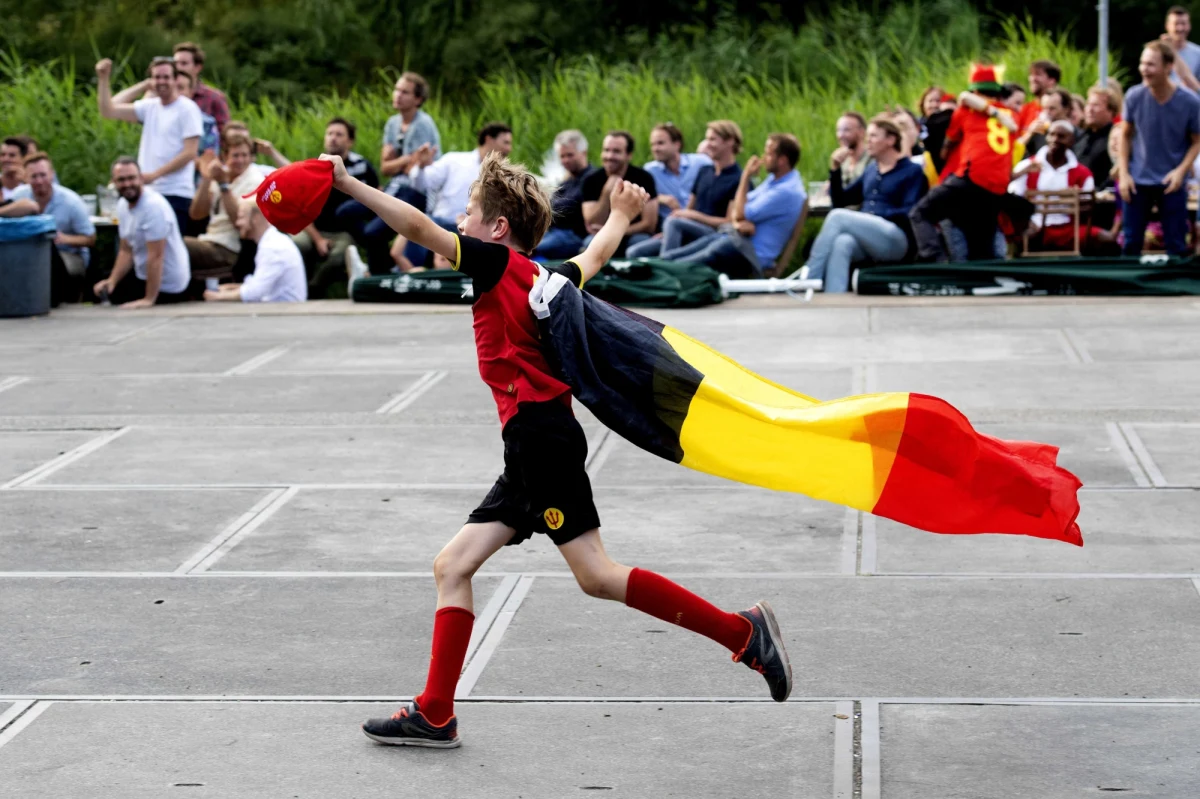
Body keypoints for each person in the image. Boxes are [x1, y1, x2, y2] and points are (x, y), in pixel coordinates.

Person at [317, 149, 791, 748]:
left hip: (540, 440)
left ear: (497, 228)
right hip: (534, 443)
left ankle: (742, 635)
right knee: (452, 566)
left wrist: (347, 183)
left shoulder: (494, 264)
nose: (459, 222)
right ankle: (435, 711)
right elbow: (595, 256)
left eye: (468, 213)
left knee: (597, 575)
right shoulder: (546, 277)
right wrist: (620, 215)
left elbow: (416, 227)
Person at [909, 65, 1019, 262]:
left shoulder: (965, 111)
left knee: (920, 213)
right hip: (997, 188)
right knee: (983, 251)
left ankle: (936, 264)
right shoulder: (1011, 115)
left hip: (970, 178)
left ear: (975, 91)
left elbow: (947, 145)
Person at [805, 117, 927, 292]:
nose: (868, 141)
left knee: (837, 217)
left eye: (873, 136)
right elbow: (841, 201)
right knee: (842, 243)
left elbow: (910, 211)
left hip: (896, 239)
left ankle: (809, 278)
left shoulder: (912, 171)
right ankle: (834, 297)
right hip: (872, 238)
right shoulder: (871, 170)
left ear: (891, 140)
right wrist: (835, 170)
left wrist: (874, 216)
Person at [660, 133, 806, 277]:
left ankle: (658, 273)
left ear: (782, 160)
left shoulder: (785, 191)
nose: (763, 158)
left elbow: (740, 212)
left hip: (748, 253)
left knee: (689, 261)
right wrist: (738, 221)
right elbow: (739, 206)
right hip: (735, 239)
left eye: (768, 154)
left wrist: (745, 176)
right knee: (677, 255)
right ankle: (656, 267)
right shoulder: (775, 180)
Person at [96, 56, 203, 236]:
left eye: (166, 77)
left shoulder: (187, 108)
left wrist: (154, 175)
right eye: (157, 77)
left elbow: (189, 153)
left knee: (166, 247)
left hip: (175, 193)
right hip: (147, 192)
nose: (161, 82)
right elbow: (109, 110)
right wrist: (104, 78)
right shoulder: (150, 107)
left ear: (175, 79)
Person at [1117, 40, 1200, 256]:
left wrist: (1181, 171)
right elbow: (1125, 135)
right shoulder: (1134, 96)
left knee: (1176, 244)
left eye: (1151, 64)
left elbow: (1197, 141)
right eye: (1142, 63)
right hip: (1137, 180)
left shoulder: (1189, 102)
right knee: (1131, 243)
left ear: (1168, 67)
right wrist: (1124, 174)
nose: (1144, 69)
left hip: (1171, 181)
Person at [395, 122, 513, 270]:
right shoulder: (454, 160)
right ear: (489, 139)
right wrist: (420, 167)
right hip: (443, 222)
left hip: (477, 228)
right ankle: (414, 274)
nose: (509, 149)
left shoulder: (503, 175)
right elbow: (422, 184)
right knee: (420, 222)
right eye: (505, 143)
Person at [628, 120, 744, 258]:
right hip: (688, 228)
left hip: (714, 233)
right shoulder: (705, 171)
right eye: (707, 139)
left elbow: (730, 222)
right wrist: (669, 232)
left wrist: (693, 216)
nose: (707, 144)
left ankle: (666, 263)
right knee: (635, 252)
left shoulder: (738, 179)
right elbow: (687, 210)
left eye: (712, 139)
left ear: (730, 141)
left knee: (673, 223)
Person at [92, 157, 193, 307]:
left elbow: (156, 256)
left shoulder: (153, 207)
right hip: (143, 275)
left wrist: (148, 299)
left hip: (168, 283)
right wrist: (112, 281)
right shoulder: (122, 205)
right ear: (113, 182)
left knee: (117, 301)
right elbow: (126, 250)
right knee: (99, 290)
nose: (127, 184)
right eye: (121, 180)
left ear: (141, 178)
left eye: (131, 178)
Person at [294, 117, 378, 297]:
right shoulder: (313, 167)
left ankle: (313, 289)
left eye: (339, 134)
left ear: (350, 141)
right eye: (330, 133)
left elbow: (377, 195)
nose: (333, 138)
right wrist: (318, 239)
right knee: (297, 244)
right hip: (313, 228)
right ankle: (297, 287)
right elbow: (300, 208)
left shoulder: (362, 166)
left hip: (343, 233)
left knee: (340, 254)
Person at [1009, 120, 1115, 253]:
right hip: (1034, 226)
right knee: (1022, 236)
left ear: (1072, 141)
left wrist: (1076, 199)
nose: (1055, 139)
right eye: (1051, 134)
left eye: (1061, 136)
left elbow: (1087, 209)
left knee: (1107, 240)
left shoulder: (1082, 173)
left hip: (1069, 228)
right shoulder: (1026, 166)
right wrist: (1027, 221)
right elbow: (1014, 201)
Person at [184, 130, 266, 283]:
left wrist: (223, 186)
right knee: (169, 243)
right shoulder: (222, 174)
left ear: (251, 157)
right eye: (235, 156)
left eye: (245, 155)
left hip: (229, 248)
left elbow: (241, 224)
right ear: (225, 157)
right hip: (209, 240)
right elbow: (196, 214)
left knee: (174, 246)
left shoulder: (255, 181)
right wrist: (207, 177)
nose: (240, 160)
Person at [6, 153, 96, 278]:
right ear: (26, 178)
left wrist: (65, 239)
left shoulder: (71, 202)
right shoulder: (19, 196)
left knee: (45, 265)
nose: (39, 181)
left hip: (67, 253)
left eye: (43, 175)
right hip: (30, 252)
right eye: (34, 176)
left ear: (52, 174)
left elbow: (91, 239)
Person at [204, 201, 306, 303]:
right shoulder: (271, 241)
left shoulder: (272, 247)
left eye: (241, 217)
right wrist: (231, 288)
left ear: (255, 218)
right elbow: (258, 285)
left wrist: (218, 297)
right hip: (280, 307)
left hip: (286, 310)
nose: (237, 223)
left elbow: (254, 292)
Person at [581, 131, 658, 255]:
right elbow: (593, 223)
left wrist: (617, 231)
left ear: (629, 155)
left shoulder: (644, 178)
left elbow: (649, 224)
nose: (609, 156)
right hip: (603, 235)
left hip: (634, 234)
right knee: (590, 242)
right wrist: (607, 192)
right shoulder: (591, 180)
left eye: (616, 151)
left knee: (641, 242)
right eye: (606, 150)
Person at [534, 129, 600, 259]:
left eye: (570, 155)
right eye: (562, 156)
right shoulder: (567, 180)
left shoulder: (593, 179)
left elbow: (572, 208)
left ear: (584, 153)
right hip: (554, 233)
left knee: (531, 248)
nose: (565, 160)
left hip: (575, 236)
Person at [643, 122, 712, 224]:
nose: (655, 149)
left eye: (660, 143)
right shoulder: (650, 171)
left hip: (701, 222)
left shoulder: (700, 163)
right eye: (652, 144)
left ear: (677, 145)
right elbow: (639, 197)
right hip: (669, 225)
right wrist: (660, 198)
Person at [173, 42, 229, 141]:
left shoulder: (214, 97)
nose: (178, 68)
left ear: (198, 67)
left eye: (184, 63)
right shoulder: (165, 96)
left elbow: (224, 133)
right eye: (175, 63)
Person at [1075, 87, 1117, 186]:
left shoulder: (1115, 139)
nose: (1090, 109)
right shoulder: (1080, 137)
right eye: (1088, 104)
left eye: (1095, 105)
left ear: (1111, 110)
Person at [1021, 88, 1073, 156]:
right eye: (1044, 108)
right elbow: (1016, 154)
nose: (1046, 112)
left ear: (1066, 109)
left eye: (1052, 108)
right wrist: (1029, 133)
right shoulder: (1038, 133)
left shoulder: (1077, 135)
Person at [1016, 59, 1062, 134]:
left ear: (1051, 80)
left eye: (1038, 74)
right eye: (1031, 74)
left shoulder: (1060, 111)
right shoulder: (1024, 109)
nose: (1032, 79)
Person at [1163, 6, 1200, 91]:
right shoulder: (1156, 52)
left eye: (1183, 23)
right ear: (1167, 26)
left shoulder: (1198, 52)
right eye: (1176, 24)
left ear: (1189, 25)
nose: (1180, 28)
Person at [832, 111, 872, 186]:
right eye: (838, 130)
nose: (840, 135)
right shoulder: (842, 161)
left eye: (846, 130)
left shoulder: (872, 159)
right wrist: (835, 167)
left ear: (862, 132)